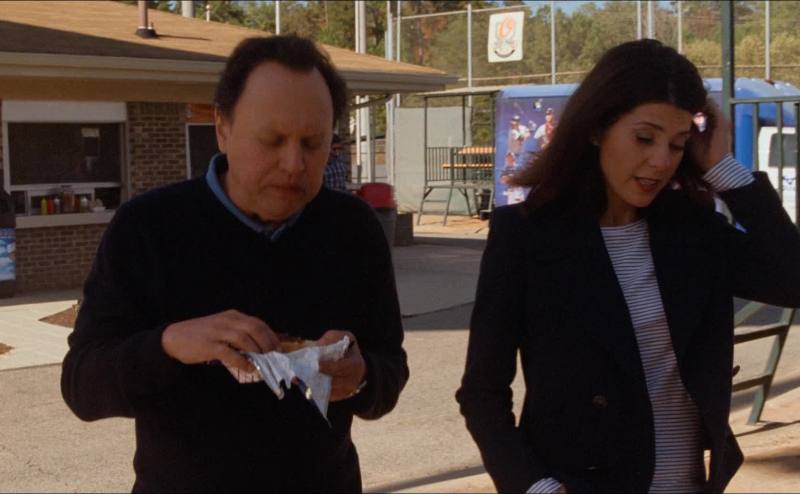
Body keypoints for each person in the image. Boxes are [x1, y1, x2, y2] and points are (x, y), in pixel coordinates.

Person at [61, 35, 408, 493]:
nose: (293, 164)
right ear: (222, 129)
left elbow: (389, 369)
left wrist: (361, 377)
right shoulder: (148, 227)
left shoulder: (354, 229)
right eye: (272, 139)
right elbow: (82, 386)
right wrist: (169, 344)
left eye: (313, 143)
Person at [456, 39, 800, 494]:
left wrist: (722, 168)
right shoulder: (527, 235)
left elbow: (792, 280)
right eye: (644, 138)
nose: (660, 161)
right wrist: (534, 486)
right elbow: (482, 392)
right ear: (597, 128)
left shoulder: (692, 230)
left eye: (677, 145)